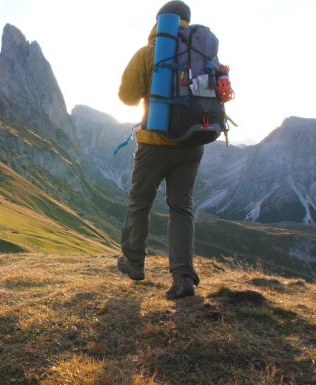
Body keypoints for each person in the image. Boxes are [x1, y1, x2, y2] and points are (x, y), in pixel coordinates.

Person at [116, 0, 212, 299]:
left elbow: (126, 96)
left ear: (159, 21)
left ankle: (134, 263)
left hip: (155, 142)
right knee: (181, 207)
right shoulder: (202, 51)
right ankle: (183, 277)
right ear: (188, 21)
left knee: (140, 201)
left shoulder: (149, 52)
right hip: (193, 141)